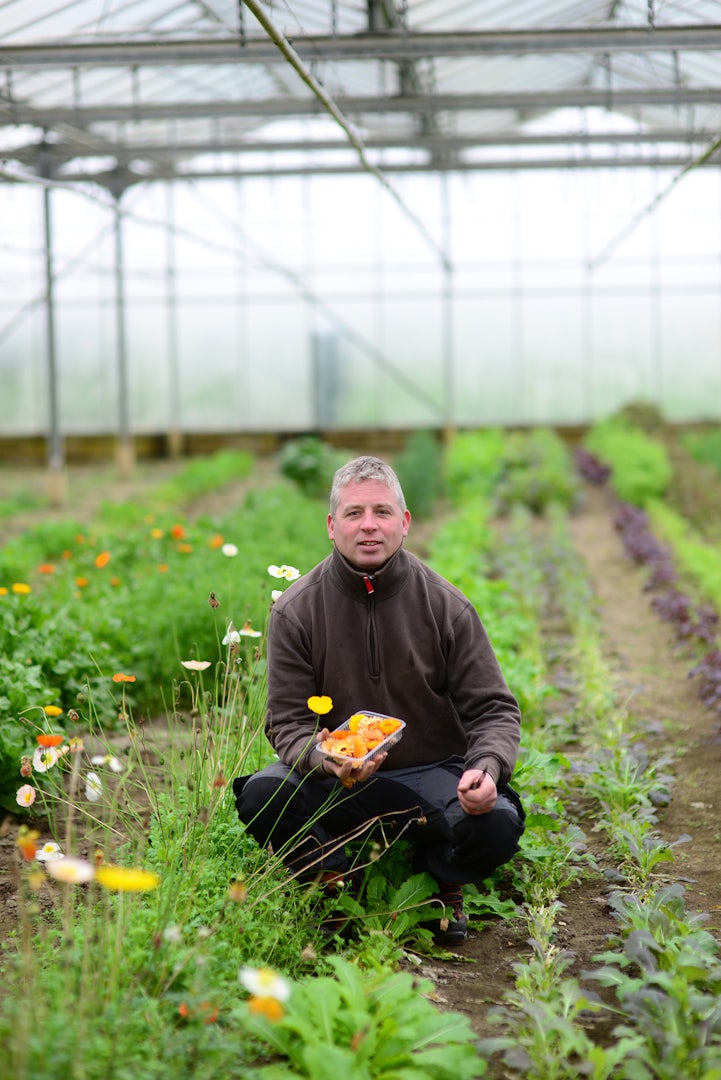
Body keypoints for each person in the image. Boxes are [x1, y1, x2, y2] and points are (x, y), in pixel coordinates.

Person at [233, 455, 525, 946]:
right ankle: (330, 879)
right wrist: (323, 759)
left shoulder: (445, 606)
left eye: (382, 512)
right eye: (353, 513)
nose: (368, 525)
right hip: (337, 781)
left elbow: (494, 709)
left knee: (496, 822)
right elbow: (286, 722)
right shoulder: (296, 611)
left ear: (405, 523)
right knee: (262, 794)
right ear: (332, 526)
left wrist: (487, 769)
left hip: (432, 778)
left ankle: (442, 875)